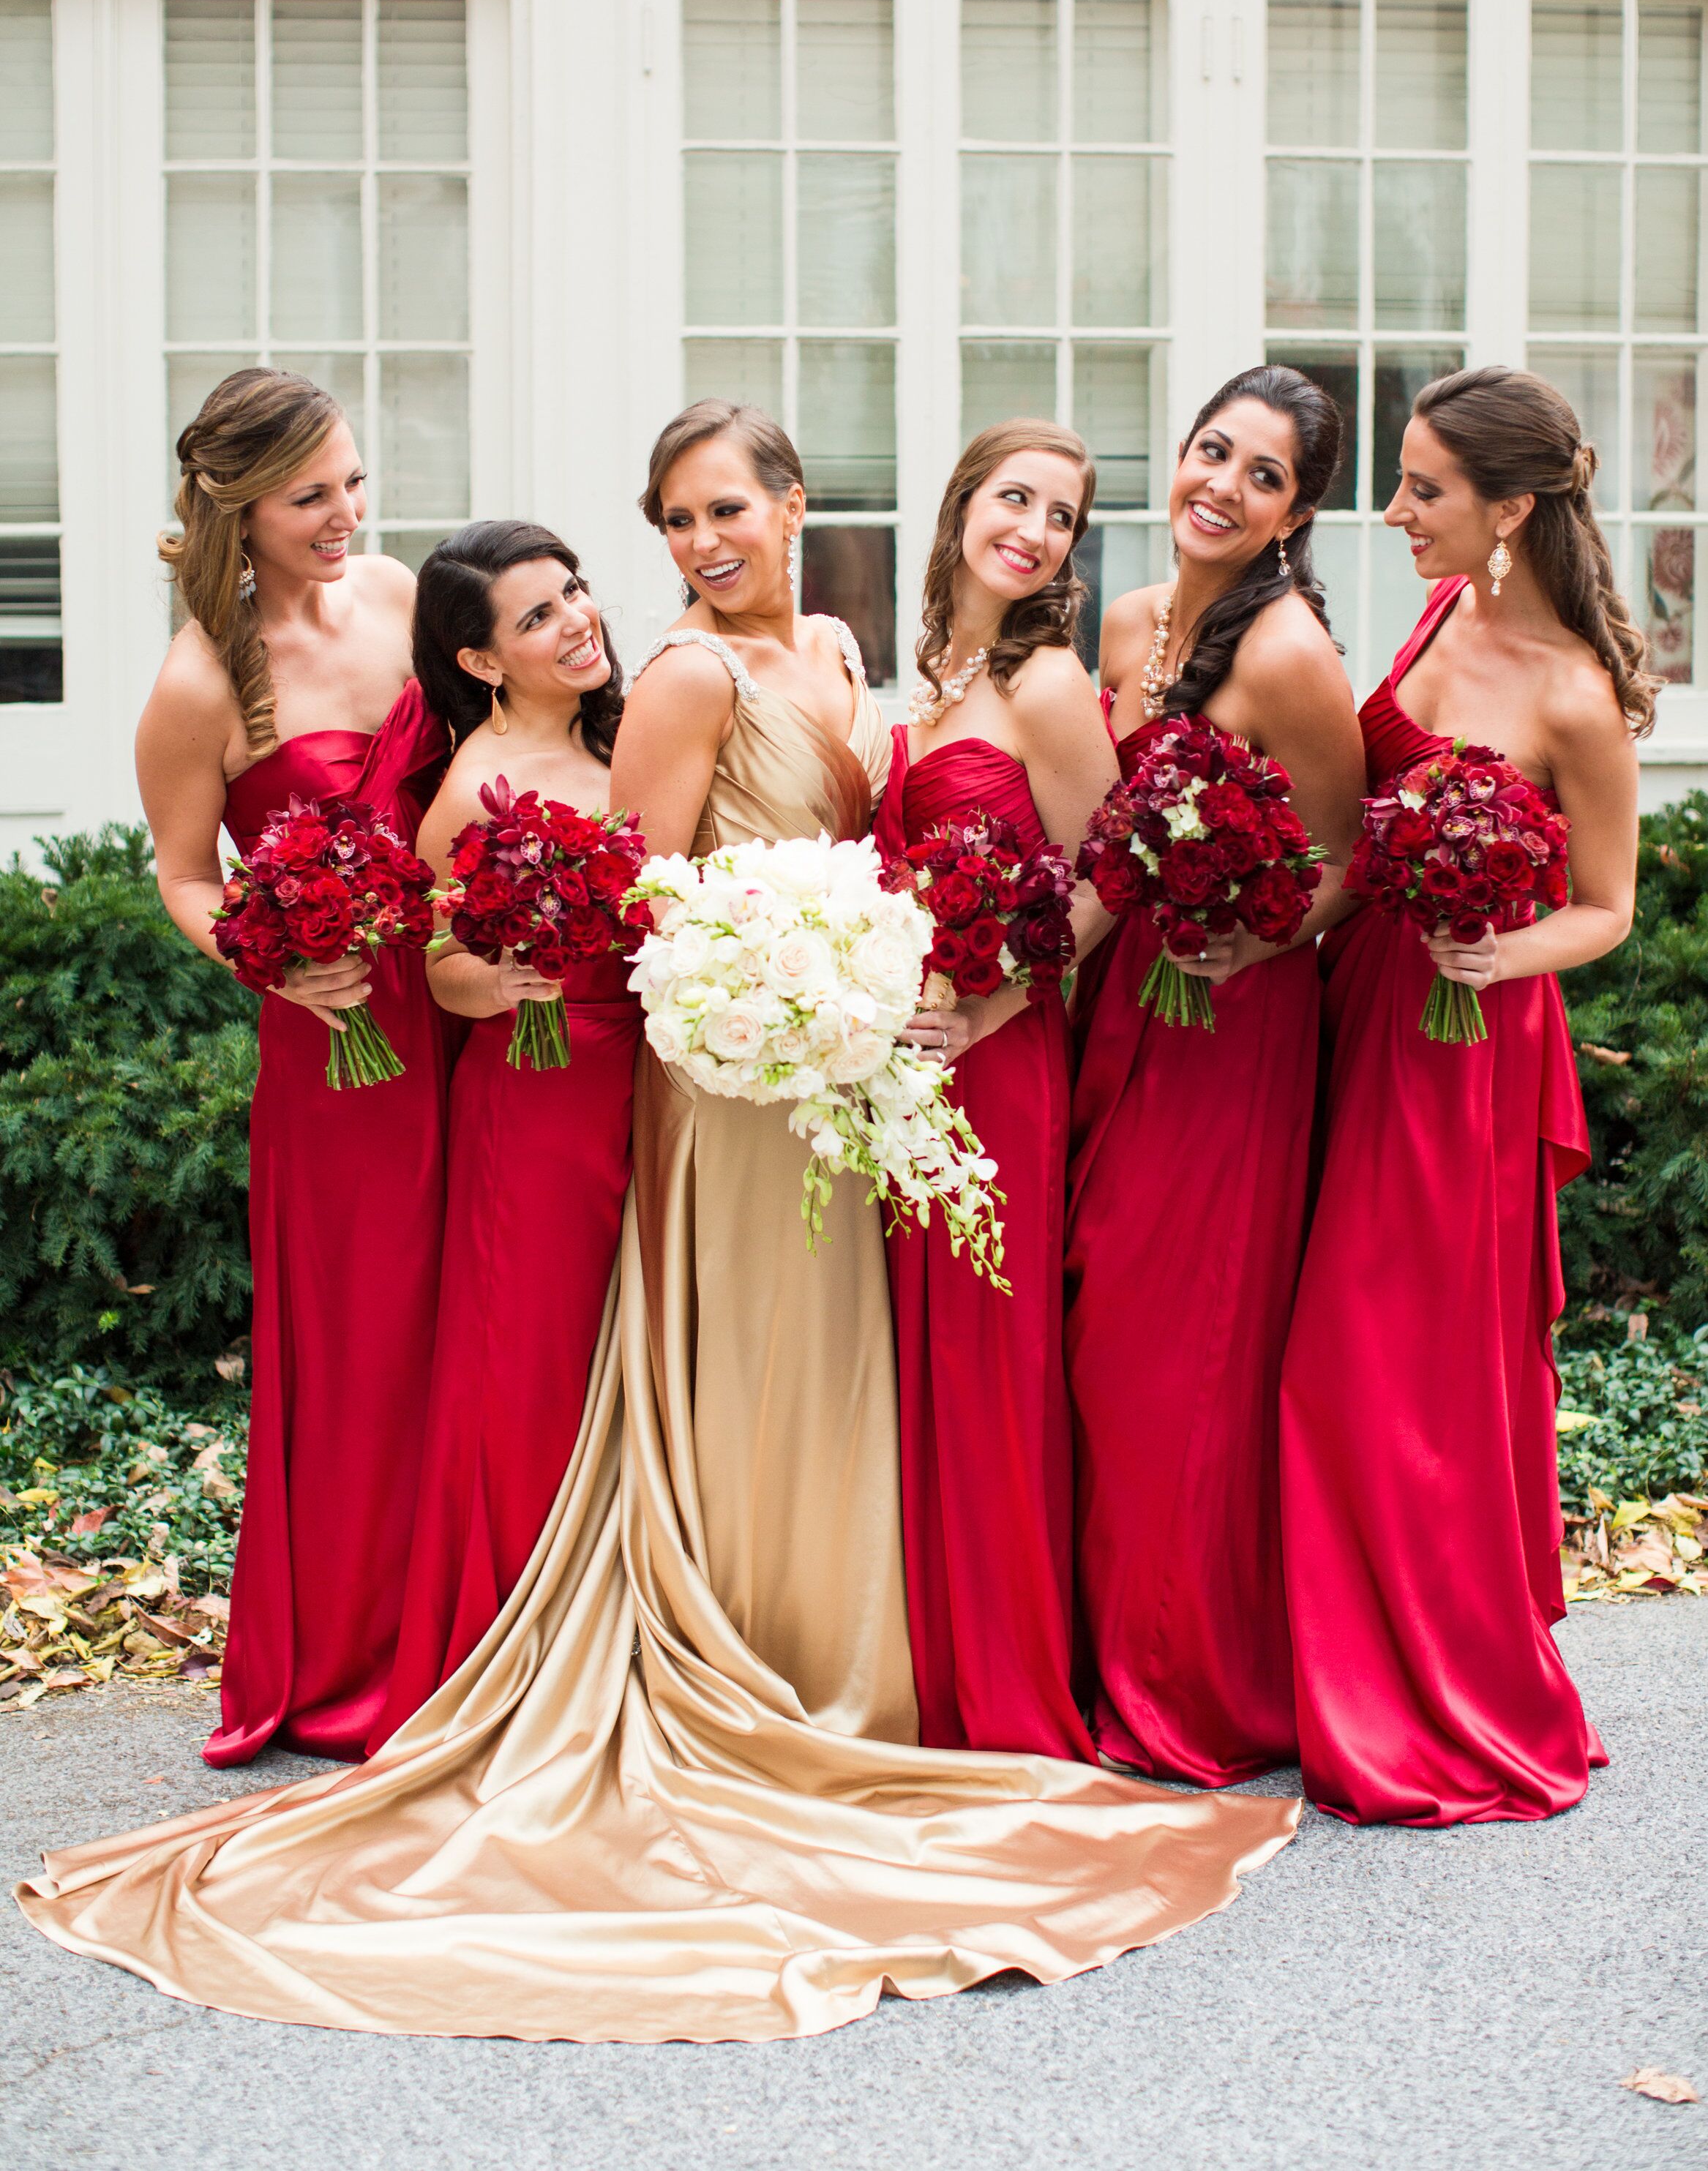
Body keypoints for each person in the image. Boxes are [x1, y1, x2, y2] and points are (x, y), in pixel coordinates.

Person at [21, 402, 1295, 2044]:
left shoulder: (839, 649)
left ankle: (860, 1657)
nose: (700, 547)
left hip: (847, 1061)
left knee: (856, 1360)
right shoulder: (687, 675)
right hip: (742, 1067)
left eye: (726, 512)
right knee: (766, 1355)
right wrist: (635, 985)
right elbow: (643, 898)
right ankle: (768, 1658)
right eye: (677, 521)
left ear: (792, 504)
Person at [1281, 364, 1650, 1826]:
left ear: (1510, 509)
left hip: (1460, 1039)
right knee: (1343, 1349)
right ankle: (1329, 1663)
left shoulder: (1577, 694)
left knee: (1380, 1363)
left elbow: (1607, 907)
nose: (1394, 512)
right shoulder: (1437, 615)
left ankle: (1425, 1680)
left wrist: (1498, 951)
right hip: (1360, 1003)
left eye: (1423, 488)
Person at [134, 367, 454, 1766]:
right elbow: (183, 874)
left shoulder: (392, 595)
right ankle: (348, 1652)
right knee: (369, 1331)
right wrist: (273, 962)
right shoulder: (204, 677)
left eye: (353, 482)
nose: (345, 514)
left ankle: (474, 1622)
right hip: (340, 1038)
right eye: (310, 495)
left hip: (461, 996)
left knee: (472, 1311)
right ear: (237, 509)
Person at [1065, 366, 1366, 1787]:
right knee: (1094, 1311)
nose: (1221, 485)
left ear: (1296, 510)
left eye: (1262, 474)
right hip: (1122, 999)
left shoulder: (1291, 651)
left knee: (1174, 1344)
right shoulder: (1129, 620)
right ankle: (1097, 1645)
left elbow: (1341, 858)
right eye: (1210, 451)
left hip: (1227, 1024)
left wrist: (1246, 932)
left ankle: (1182, 1680)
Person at [367, 522, 640, 1750]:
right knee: (534, 1362)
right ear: (481, 661)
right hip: (537, 1098)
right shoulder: (477, 784)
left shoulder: (627, 731)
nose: (576, 620)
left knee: (635, 1364)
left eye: (572, 592)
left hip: (650, 1079)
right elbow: (434, 959)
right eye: (537, 617)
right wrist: (481, 983)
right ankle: (518, 1642)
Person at [875, 420, 1117, 1758]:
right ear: (965, 503)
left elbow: (1103, 876)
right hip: (905, 1062)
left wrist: (993, 1005)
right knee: (918, 1351)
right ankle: (923, 1662)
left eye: (1064, 517)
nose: (1032, 528)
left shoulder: (1044, 686)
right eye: (1014, 498)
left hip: (995, 1059)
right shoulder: (931, 678)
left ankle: (1005, 1683)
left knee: (987, 1355)